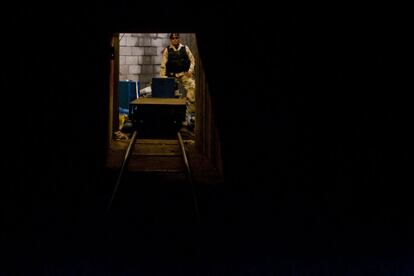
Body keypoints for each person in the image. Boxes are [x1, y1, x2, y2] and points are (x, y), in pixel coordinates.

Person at [160, 33, 196, 130]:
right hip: (172, 76)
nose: (175, 40)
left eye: (176, 38)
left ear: (179, 39)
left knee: (193, 87)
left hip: (184, 74)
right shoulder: (167, 50)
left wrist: (190, 71)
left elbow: (192, 60)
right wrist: (163, 79)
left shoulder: (185, 48)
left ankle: (189, 114)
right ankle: (170, 117)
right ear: (170, 40)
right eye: (173, 38)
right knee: (169, 94)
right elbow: (163, 65)